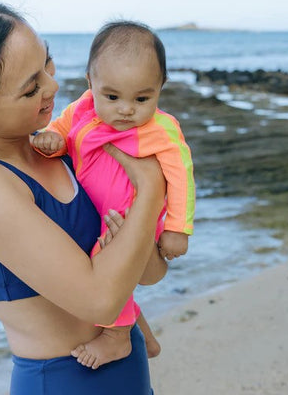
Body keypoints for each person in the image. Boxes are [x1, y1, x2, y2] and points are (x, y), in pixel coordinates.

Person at [0, 0, 167, 395]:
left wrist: (142, 218)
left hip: (128, 368)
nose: (54, 86)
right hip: (63, 381)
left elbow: (151, 273)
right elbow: (103, 300)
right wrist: (151, 189)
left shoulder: (60, 146)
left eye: (47, 64)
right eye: (31, 87)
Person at [33, 21, 195, 370]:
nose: (126, 109)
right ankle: (144, 335)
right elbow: (61, 130)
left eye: (142, 98)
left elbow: (182, 174)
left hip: (130, 216)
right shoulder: (82, 108)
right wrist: (50, 140)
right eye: (112, 96)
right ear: (91, 84)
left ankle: (118, 338)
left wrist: (178, 228)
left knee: (102, 264)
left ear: (160, 88)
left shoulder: (160, 129)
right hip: (94, 209)